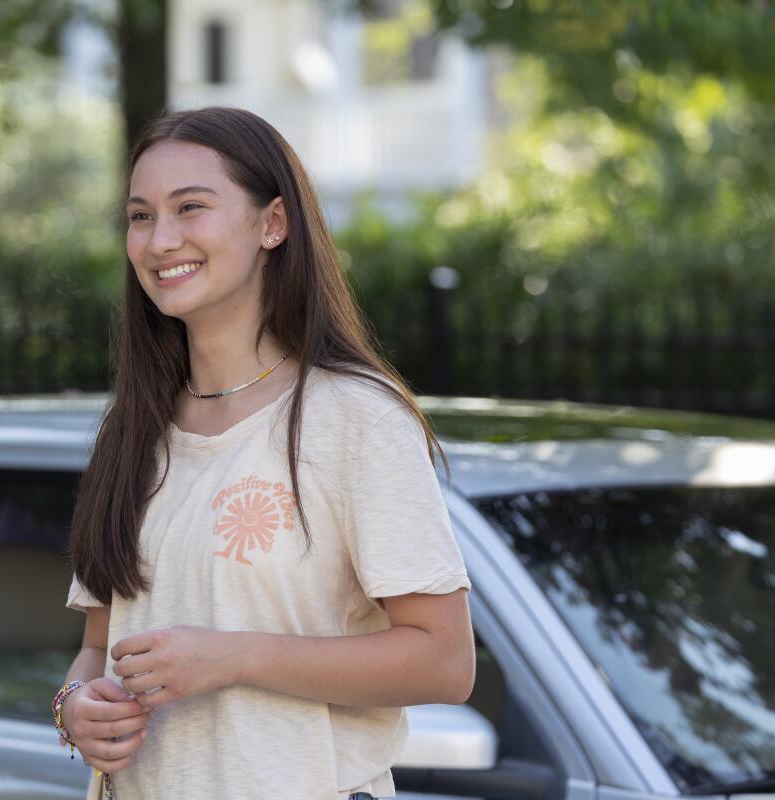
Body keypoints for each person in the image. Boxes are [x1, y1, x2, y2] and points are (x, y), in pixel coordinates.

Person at [56, 106, 474, 800]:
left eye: (191, 208)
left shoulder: (356, 420)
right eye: (139, 216)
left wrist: (236, 657)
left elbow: (444, 660)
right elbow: (97, 649)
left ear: (272, 223)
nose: (161, 240)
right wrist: (75, 706)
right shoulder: (131, 433)